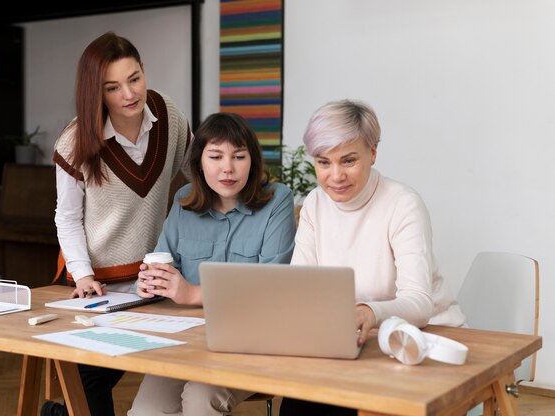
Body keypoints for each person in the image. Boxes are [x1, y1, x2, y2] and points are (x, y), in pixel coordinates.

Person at [278, 99, 465, 416]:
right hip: (356, 342)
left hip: (425, 340)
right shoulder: (315, 204)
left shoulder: (402, 204)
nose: (335, 176)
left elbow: (420, 302)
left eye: (348, 161)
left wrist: (368, 312)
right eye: (324, 162)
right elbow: (302, 287)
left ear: (373, 152)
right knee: (298, 402)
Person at [41, 31, 191, 416]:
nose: (129, 94)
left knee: (138, 361)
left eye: (135, 78)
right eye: (113, 87)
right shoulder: (75, 141)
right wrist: (84, 275)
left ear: (144, 72)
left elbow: (196, 174)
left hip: (149, 277)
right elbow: (67, 218)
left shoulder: (169, 116)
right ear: (96, 92)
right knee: (92, 376)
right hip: (95, 281)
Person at [127, 112, 297, 416]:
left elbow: (272, 288)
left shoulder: (277, 200)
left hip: (252, 341)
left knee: (199, 398)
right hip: (186, 339)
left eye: (239, 157)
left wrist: (192, 293)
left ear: (253, 161)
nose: (227, 168)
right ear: (199, 163)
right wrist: (150, 285)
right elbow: (163, 262)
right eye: (215, 156)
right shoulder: (184, 200)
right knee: (146, 411)